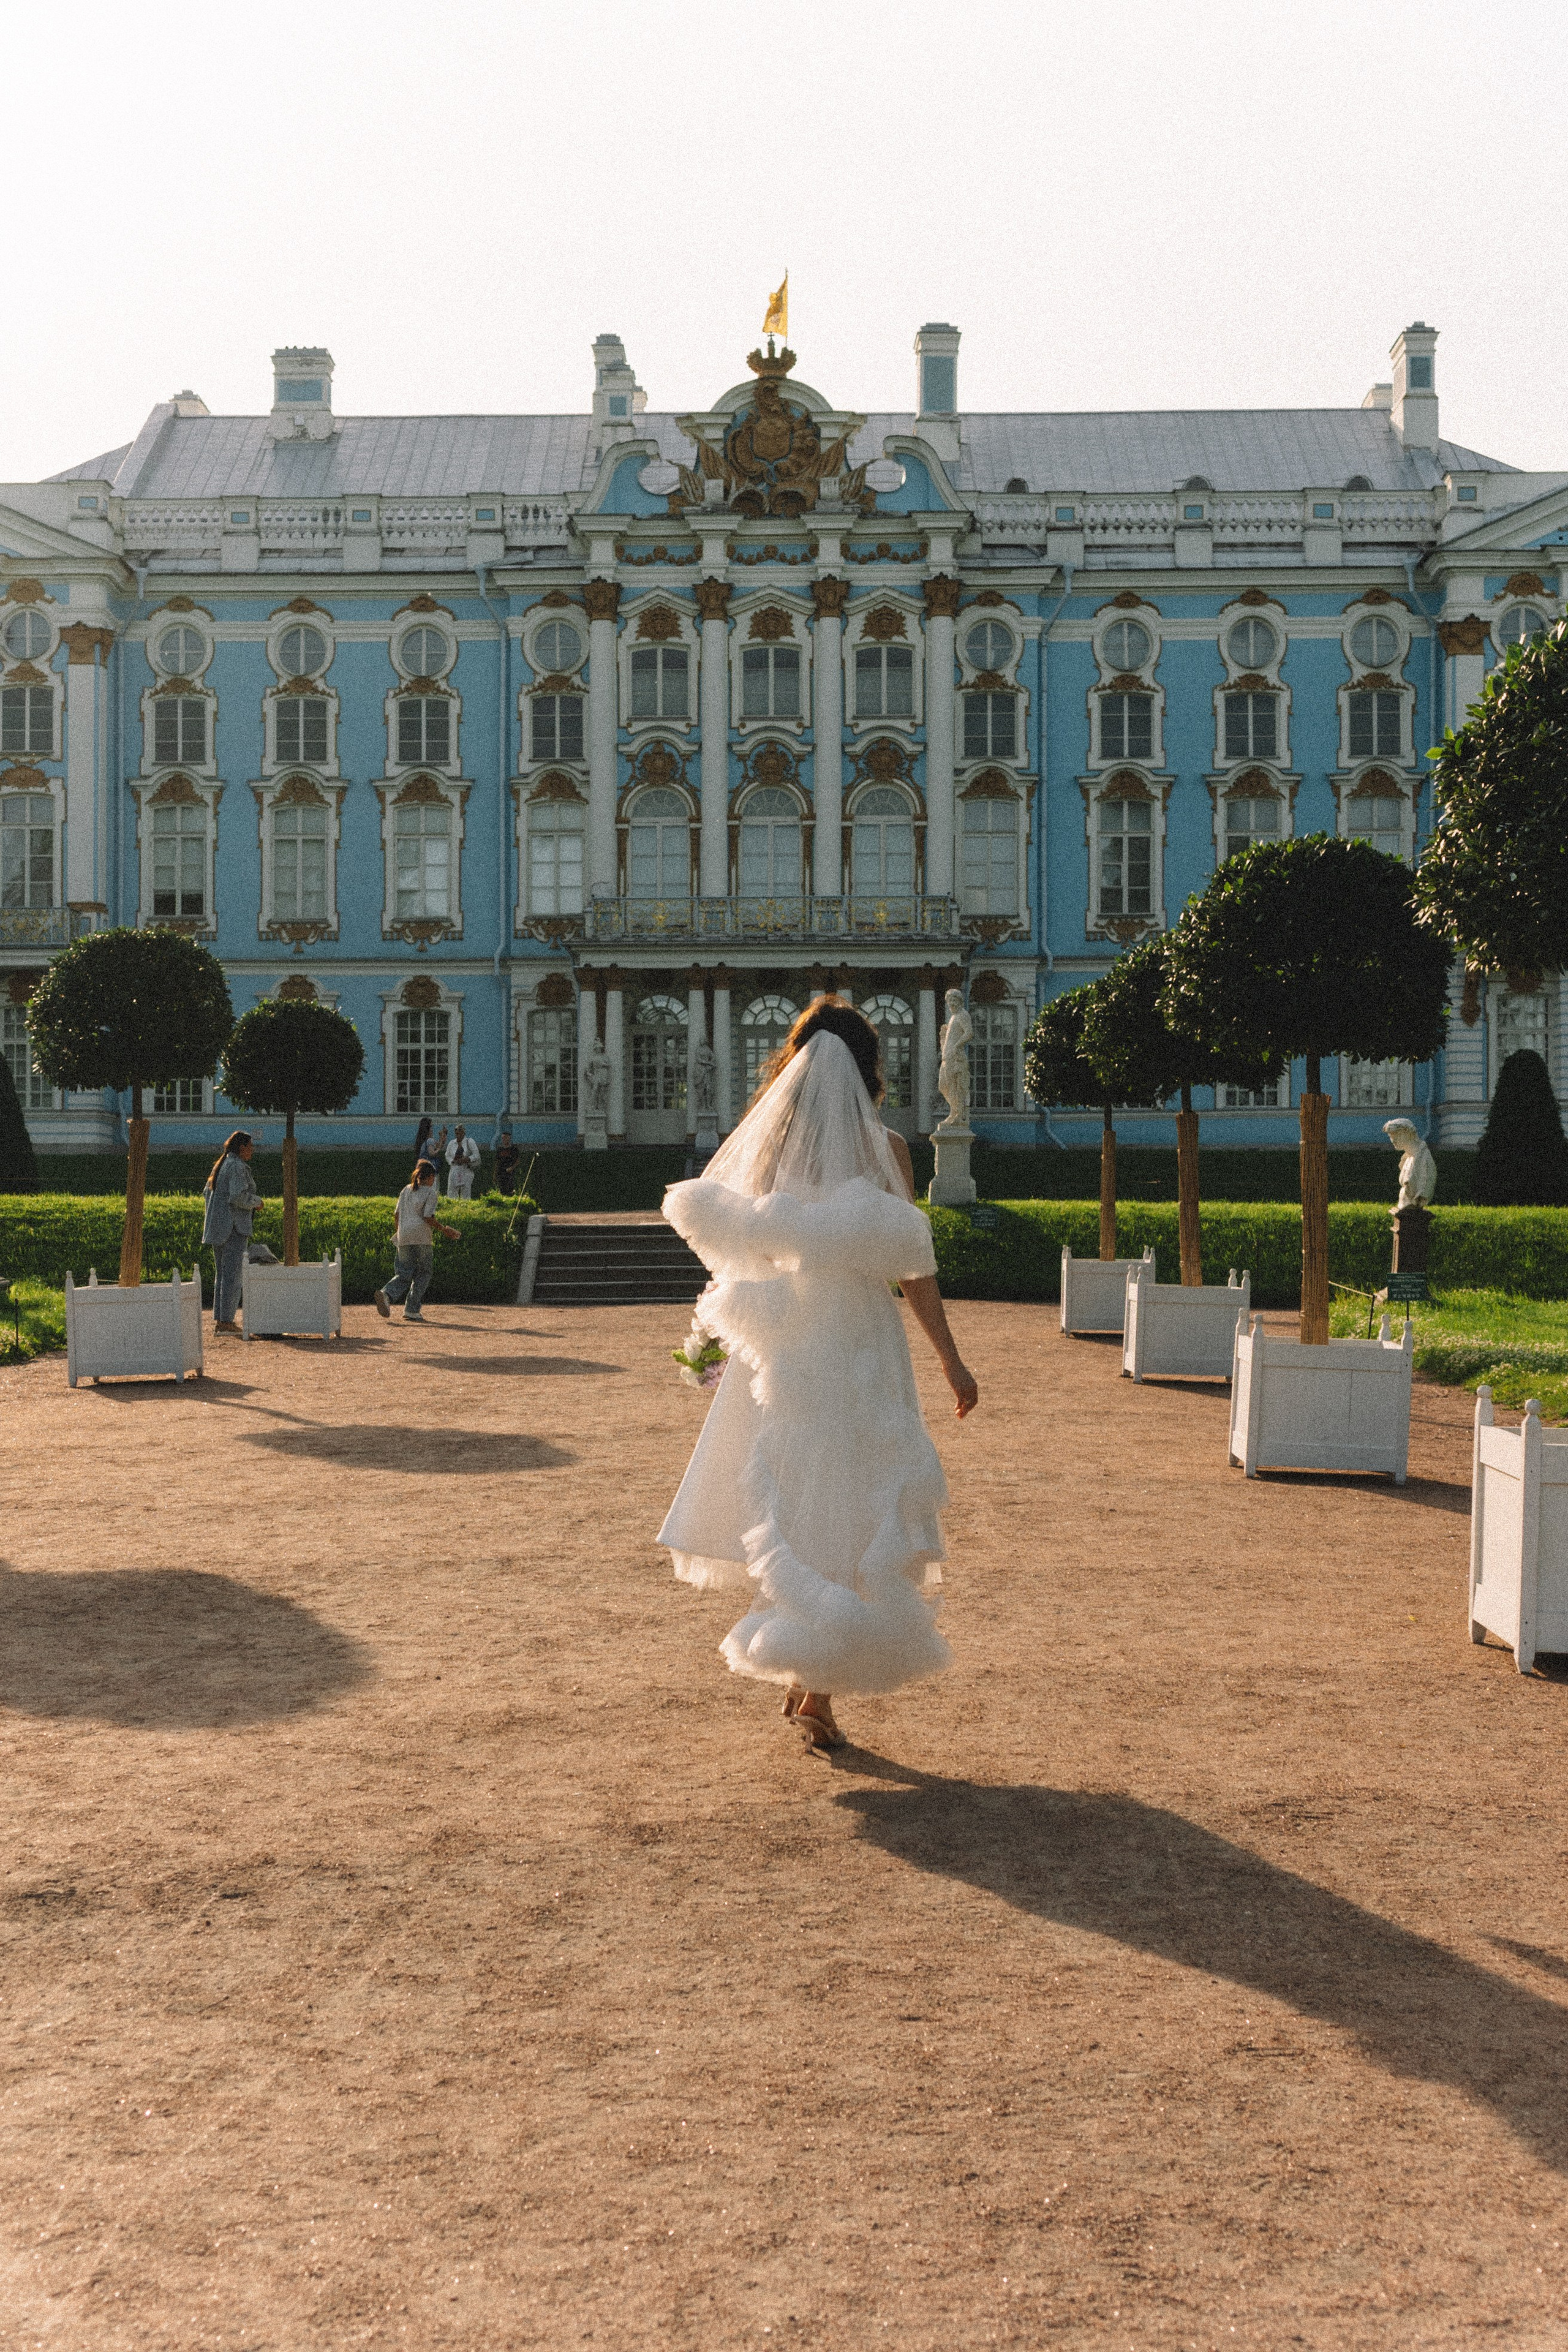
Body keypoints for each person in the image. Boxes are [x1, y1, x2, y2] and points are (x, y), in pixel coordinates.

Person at [657, 997, 979, 1757]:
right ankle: (817, 1689)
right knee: (858, 1498)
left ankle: (810, 1676)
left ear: (792, 1067)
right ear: (868, 1068)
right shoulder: (890, 1151)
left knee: (792, 1495)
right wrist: (949, 1359)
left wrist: (713, 1340)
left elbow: (740, 1261)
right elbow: (915, 1272)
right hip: (860, 1340)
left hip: (785, 1340)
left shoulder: (770, 1154)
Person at [376, 1158, 459, 1324]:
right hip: (422, 1237)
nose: (434, 1181)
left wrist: (400, 1234)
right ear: (429, 1178)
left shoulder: (406, 1190)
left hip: (404, 1235)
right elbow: (428, 1217)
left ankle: (387, 1293)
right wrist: (444, 1229)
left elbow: (396, 1215)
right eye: (433, 1178)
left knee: (404, 1273)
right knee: (424, 1273)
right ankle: (412, 1309)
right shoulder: (430, 1193)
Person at [202, 1129, 263, 1333]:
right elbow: (238, 1197)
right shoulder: (237, 1166)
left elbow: (207, 1194)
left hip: (219, 1228)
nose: (253, 1150)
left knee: (222, 1276)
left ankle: (221, 1320)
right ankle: (226, 1321)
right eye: (251, 1146)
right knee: (233, 1276)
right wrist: (257, 1202)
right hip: (234, 1228)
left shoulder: (221, 1165)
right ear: (242, 1147)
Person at [445, 1123, 480, 1199]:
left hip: (466, 1170)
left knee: (466, 1192)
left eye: (460, 1130)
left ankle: (465, 1208)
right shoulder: (452, 1143)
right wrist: (452, 1161)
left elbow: (476, 1155)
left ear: (464, 1132)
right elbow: (447, 1156)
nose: (458, 1133)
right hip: (454, 1170)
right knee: (452, 1192)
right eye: (456, 1131)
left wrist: (466, 1159)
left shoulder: (469, 1142)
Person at [494, 1128, 521, 1194]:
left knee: (509, 1188)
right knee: (501, 1188)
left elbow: (518, 1161)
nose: (503, 1140)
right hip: (501, 1171)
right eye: (502, 1138)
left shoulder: (514, 1149)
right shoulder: (500, 1149)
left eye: (505, 1138)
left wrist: (511, 1168)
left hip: (509, 1172)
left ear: (509, 1138)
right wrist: (495, 1173)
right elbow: (497, 1161)